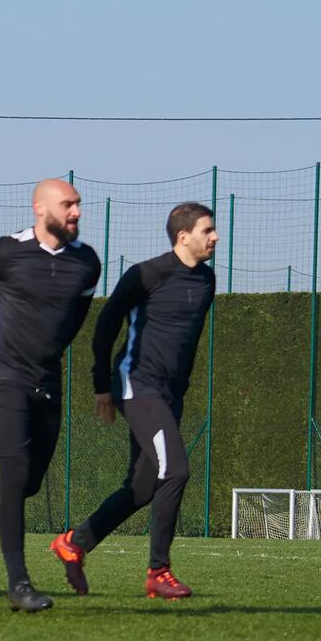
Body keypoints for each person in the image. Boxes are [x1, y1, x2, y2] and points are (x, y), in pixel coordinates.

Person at [0, 179, 101, 613]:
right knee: (14, 473)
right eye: (68, 205)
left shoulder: (88, 264)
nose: (76, 212)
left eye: (78, 205)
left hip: (49, 383)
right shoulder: (4, 252)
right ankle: (19, 583)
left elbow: (75, 318)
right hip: (3, 378)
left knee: (28, 483)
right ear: (39, 208)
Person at [50, 202, 217, 600]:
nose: (214, 237)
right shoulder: (147, 274)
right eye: (207, 230)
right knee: (175, 470)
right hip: (137, 386)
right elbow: (106, 325)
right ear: (183, 236)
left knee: (142, 487)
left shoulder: (207, 281)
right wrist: (101, 385)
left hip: (169, 395)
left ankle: (75, 542)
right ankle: (158, 571)